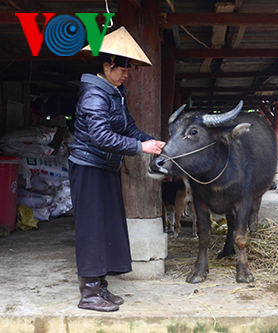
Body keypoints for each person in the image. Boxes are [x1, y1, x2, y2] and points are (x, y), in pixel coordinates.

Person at [68, 27, 164, 312]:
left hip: (105, 166)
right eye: (122, 69)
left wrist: (149, 140)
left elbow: (128, 128)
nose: (126, 74)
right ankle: (88, 295)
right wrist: (139, 149)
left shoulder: (114, 94)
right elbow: (100, 136)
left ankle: (101, 288)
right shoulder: (94, 96)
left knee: (107, 226)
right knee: (91, 229)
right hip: (88, 167)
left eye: (128, 69)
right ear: (107, 66)